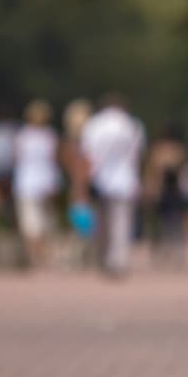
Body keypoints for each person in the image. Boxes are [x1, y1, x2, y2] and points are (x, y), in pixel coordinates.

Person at [81, 93, 146, 276]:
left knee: (101, 222)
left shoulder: (94, 124)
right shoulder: (132, 125)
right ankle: (118, 259)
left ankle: (102, 257)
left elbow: (88, 155)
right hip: (125, 179)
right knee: (121, 222)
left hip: (100, 179)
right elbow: (136, 156)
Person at [13, 99, 61, 267]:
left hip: (29, 182)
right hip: (43, 181)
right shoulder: (49, 135)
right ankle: (39, 254)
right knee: (42, 220)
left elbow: (17, 158)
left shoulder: (23, 136)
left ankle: (35, 255)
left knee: (32, 221)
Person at [143, 123, 188, 265]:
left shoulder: (159, 150)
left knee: (163, 222)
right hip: (172, 191)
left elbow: (154, 171)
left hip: (167, 191)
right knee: (173, 222)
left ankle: (163, 250)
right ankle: (173, 249)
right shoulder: (178, 150)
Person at [61, 99, 96, 267]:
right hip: (83, 187)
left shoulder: (74, 144)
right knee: (83, 225)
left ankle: (81, 256)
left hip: (82, 187)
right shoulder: (75, 145)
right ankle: (79, 256)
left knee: (83, 225)